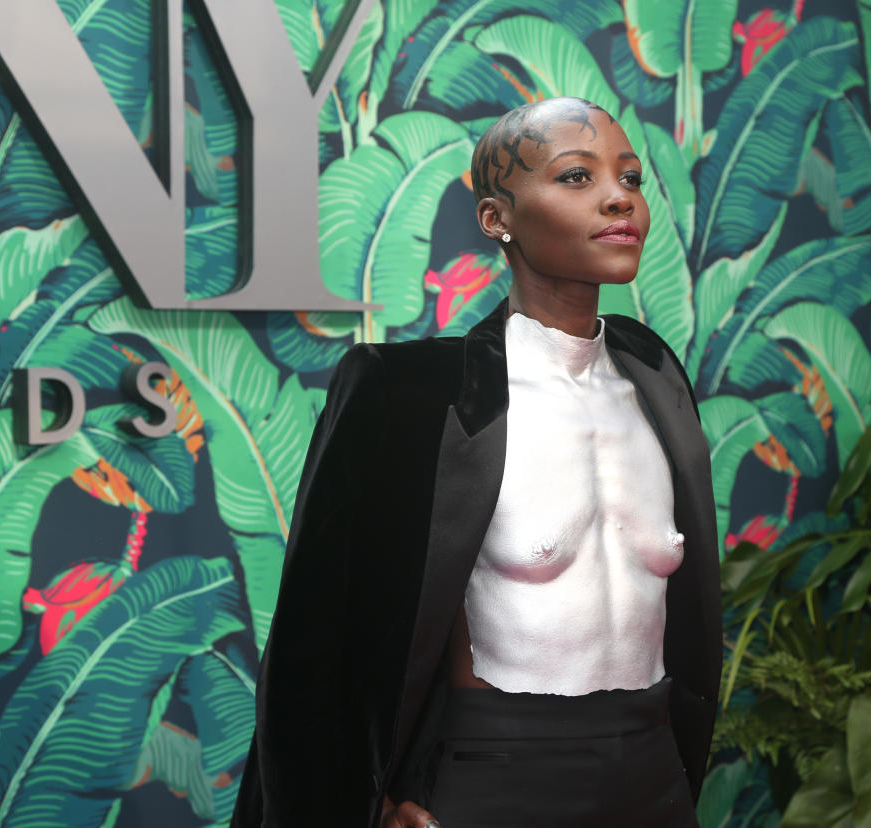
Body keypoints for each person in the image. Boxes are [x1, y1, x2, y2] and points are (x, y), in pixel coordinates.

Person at [231, 97, 720, 828]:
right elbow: (316, 640)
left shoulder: (655, 381)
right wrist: (372, 798)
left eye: (631, 177)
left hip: (653, 776)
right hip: (495, 772)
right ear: (497, 219)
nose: (620, 197)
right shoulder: (410, 396)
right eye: (578, 176)